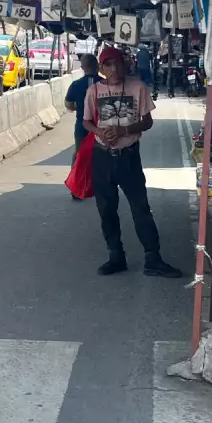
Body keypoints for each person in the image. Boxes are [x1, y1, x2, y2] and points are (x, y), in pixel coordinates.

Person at [83, 47, 181, 278]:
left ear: (125, 64)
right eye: (108, 65)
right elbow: (86, 121)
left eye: (117, 63)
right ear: (101, 68)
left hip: (128, 156)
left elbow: (147, 122)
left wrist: (124, 129)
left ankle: (153, 258)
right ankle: (115, 256)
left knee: (141, 208)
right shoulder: (93, 91)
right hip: (102, 156)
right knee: (106, 210)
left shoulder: (138, 87)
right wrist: (100, 131)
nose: (114, 69)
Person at [64, 53, 100, 176]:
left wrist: (80, 108)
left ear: (83, 67)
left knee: (79, 154)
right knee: (103, 156)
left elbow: (68, 104)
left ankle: (76, 185)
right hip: (102, 126)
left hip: (82, 125)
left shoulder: (76, 85)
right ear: (97, 66)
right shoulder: (105, 83)